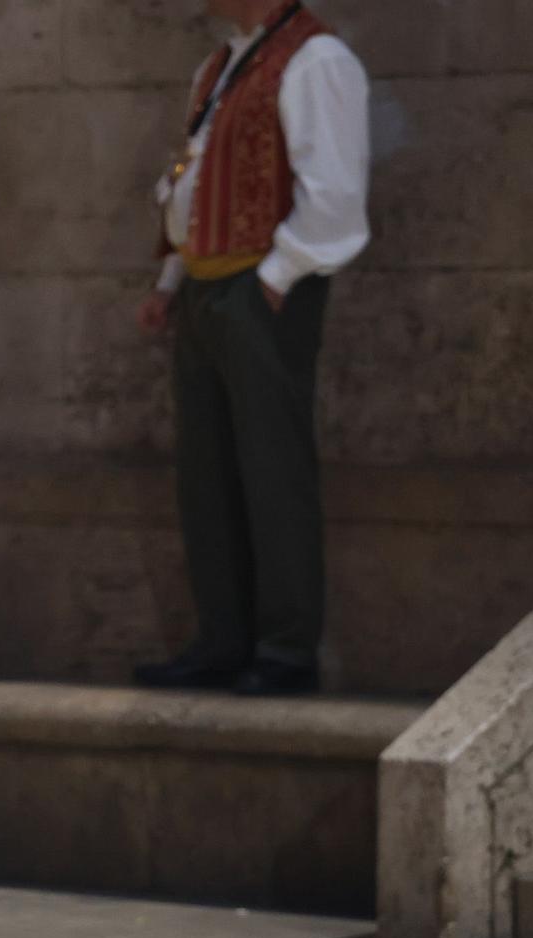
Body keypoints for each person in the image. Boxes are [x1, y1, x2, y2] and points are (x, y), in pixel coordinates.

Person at [135, 0, 370, 696]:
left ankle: (286, 650)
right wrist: (170, 280)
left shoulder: (315, 59)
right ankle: (222, 639)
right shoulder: (220, 65)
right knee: (206, 474)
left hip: (263, 286)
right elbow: (194, 183)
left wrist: (274, 278)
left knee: (273, 468)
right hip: (208, 287)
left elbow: (334, 192)